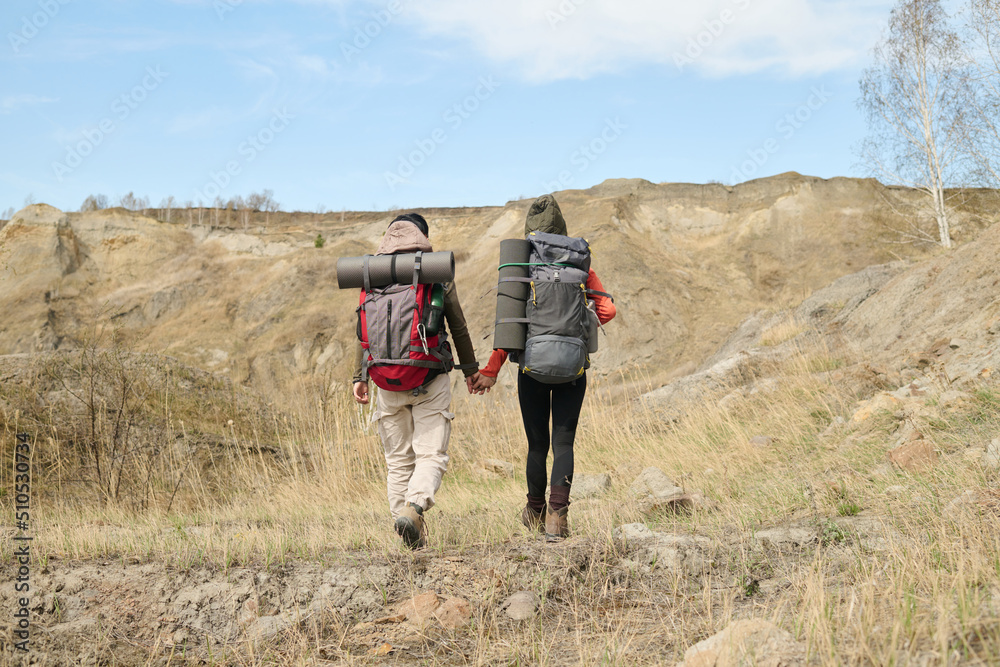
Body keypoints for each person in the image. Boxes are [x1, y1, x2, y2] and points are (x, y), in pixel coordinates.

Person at [473, 195, 616, 541]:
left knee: (537, 445)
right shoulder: (581, 265)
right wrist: (580, 325)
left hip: (532, 371)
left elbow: (509, 326)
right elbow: (608, 310)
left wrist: (490, 371)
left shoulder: (522, 265)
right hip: (573, 370)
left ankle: (535, 511)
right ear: (562, 230)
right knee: (563, 444)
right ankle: (558, 518)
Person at [352, 213, 484, 549]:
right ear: (422, 237)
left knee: (397, 461)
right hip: (428, 377)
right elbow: (458, 326)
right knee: (430, 456)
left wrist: (359, 376)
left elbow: (362, 330)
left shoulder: (372, 273)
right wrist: (470, 370)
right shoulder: (433, 271)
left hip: (384, 380)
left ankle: (407, 537)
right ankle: (413, 509)